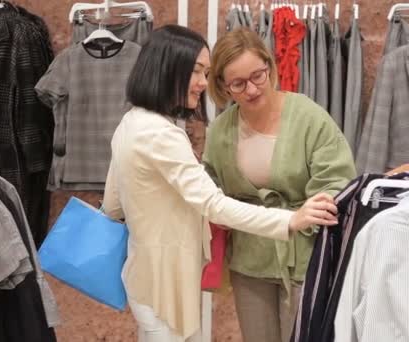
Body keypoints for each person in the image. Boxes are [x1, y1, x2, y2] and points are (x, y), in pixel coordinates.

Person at [102, 25, 339, 342]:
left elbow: (113, 204)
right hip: (169, 280)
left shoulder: (130, 122)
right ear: (168, 69)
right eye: (196, 72)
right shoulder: (164, 133)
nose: (202, 83)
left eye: (206, 72)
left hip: (146, 276)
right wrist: (291, 219)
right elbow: (213, 203)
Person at [204, 28, 356, 342]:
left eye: (258, 75)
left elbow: (336, 184)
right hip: (249, 260)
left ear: (270, 66)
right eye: (238, 83)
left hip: (304, 256)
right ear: (223, 87)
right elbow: (211, 192)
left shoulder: (310, 118)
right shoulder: (220, 132)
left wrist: (307, 220)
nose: (252, 89)